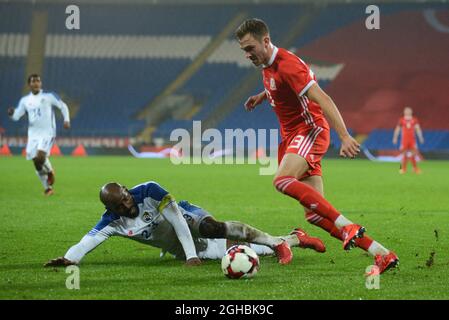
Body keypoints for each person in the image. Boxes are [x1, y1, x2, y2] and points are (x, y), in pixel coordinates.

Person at [236, 18, 398, 273]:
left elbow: (324, 98)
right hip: (292, 137)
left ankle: (348, 225)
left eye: (250, 48)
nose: (247, 54)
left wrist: (344, 136)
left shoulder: (288, 65)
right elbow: (281, 87)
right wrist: (261, 96)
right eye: (244, 50)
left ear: (266, 41)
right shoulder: (267, 64)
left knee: (282, 181)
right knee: (314, 215)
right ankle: (381, 253)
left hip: (309, 132)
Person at [45, 181, 326, 267]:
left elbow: (178, 219)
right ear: (110, 208)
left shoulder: (149, 191)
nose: (127, 204)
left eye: (127, 197)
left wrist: (191, 255)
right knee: (235, 253)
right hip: (181, 248)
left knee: (211, 228)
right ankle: (292, 239)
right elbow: (88, 240)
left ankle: (280, 242)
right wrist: (70, 259)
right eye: (119, 204)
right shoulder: (112, 222)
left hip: (187, 219)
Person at [7, 74, 70, 196]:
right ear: (29, 84)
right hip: (33, 135)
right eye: (33, 81)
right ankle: (48, 188)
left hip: (47, 132)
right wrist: (11, 113)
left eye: (38, 81)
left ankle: (50, 171)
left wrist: (66, 120)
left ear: (40, 84)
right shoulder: (25, 101)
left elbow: (63, 106)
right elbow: (17, 116)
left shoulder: (48, 96)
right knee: (36, 162)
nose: (36, 83)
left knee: (40, 157)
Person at [392, 107, 424, 174]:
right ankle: (403, 169)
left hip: (412, 140)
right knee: (404, 155)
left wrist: (420, 137)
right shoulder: (401, 120)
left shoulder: (414, 120)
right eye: (406, 111)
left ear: (411, 112)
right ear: (404, 112)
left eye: (409, 111)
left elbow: (418, 129)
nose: (408, 112)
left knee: (413, 154)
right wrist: (395, 137)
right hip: (404, 140)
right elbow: (397, 129)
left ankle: (415, 169)